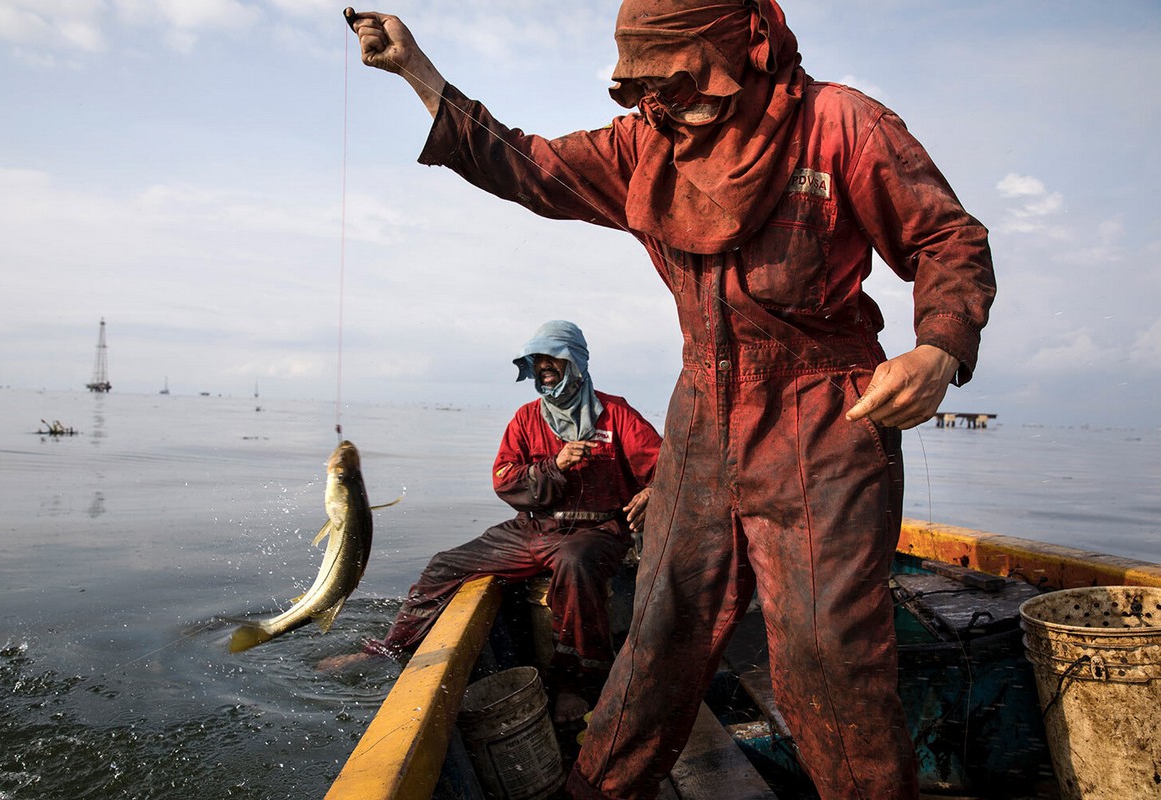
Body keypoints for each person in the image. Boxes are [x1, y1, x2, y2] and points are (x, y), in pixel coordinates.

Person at [346, 3, 996, 797]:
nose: (673, 103)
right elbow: (529, 164)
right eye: (654, 86)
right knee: (659, 629)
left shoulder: (841, 123)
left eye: (689, 83)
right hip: (701, 415)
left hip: (827, 416)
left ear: (742, 53)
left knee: (829, 656)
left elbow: (949, 239)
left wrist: (937, 349)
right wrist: (418, 71)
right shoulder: (643, 145)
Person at [320, 320, 662, 725]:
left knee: (575, 564)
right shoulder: (526, 418)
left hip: (596, 532)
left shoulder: (617, 414)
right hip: (532, 528)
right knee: (443, 565)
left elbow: (667, 468)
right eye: (537, 360)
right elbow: (504, 480)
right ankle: (391, 646)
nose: (544, 367)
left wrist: (653, 491)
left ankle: (576, 684)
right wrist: (555, 466)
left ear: (576, 361)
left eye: (552, 358)